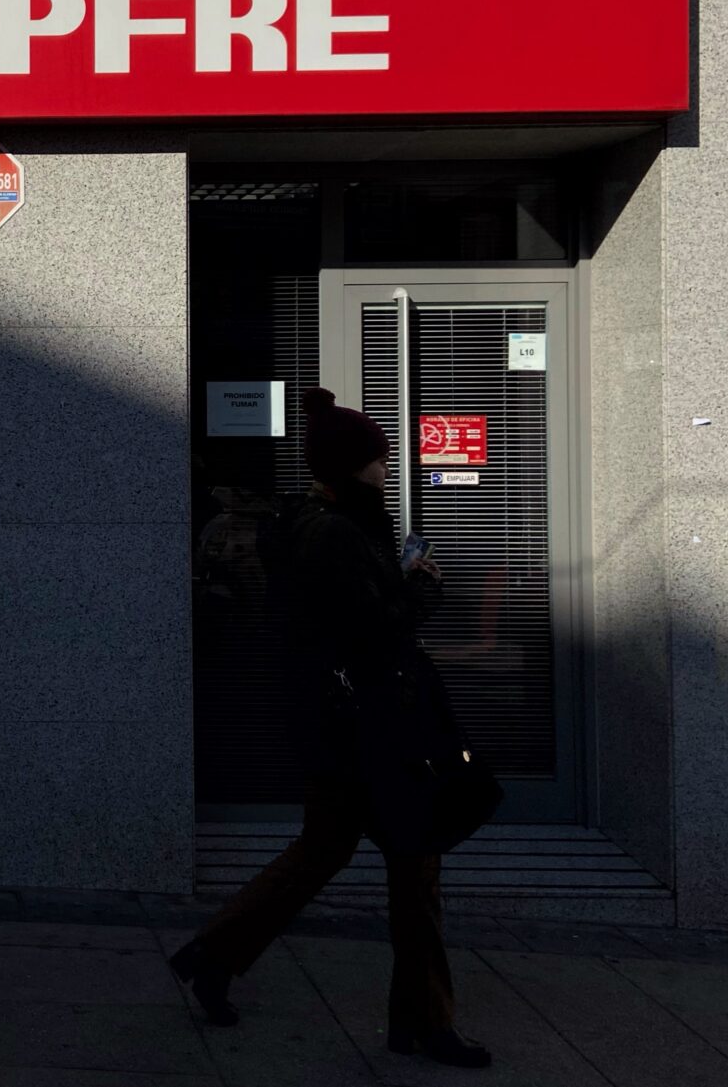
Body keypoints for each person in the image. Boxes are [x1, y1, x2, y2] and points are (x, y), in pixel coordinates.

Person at [168, 389, 491, 1070]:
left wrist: (398, 579)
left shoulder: (325, 525)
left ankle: (214, 954)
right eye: (379, 458)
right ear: (352, 465)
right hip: (373, 731)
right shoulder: (336, 533)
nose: (386, 468)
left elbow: (347, 617)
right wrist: (422, 589)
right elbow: (370, 631)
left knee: (324, 852)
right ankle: (426, 1023)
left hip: (341, 729)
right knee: (414, 866)